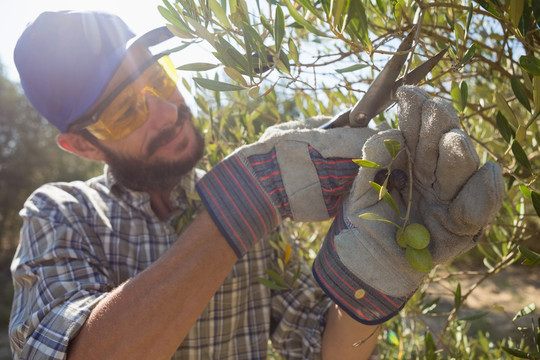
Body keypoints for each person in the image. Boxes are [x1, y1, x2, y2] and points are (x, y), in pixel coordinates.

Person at [10, 9, 505, 360]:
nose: (166, 111)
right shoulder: (59, 213)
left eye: (157, 81)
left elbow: (322, 350)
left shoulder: (261, 206)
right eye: (124, 111)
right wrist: (240, 206)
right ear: (83, 146)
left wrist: (367, 289)